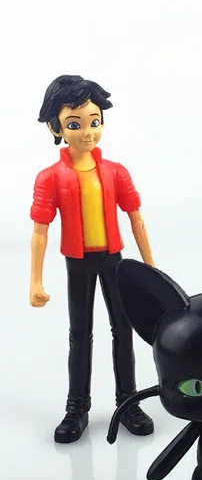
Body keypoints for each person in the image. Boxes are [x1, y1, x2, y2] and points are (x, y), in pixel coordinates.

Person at [30, 75, 156, 443]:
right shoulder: (50, 177)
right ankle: (77, 408)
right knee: (80, 334)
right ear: (55, 128)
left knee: (123, 329)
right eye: (75, 124)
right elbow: (40, 231)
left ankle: (128, 401)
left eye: (94, 121)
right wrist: (35, 280)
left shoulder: (115, 171)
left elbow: (136, 219)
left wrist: (150, 267)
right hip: (78, 262)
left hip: (114, 260)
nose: (87, 132)